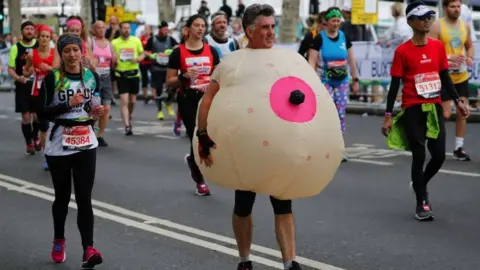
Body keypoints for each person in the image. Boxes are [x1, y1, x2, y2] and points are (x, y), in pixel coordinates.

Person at [196, 4, 303, 270]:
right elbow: (208, 100)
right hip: (246, 148)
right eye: (265, 27)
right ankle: (245, 259)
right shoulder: (233, 63)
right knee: (244, 205)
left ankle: (290, 262)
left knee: (283, 203)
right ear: (249, 31)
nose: (271, 32)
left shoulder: (285, 60)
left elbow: (301, 94)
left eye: (272, 26)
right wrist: (202, 135)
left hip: (279, 145)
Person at [382, 1, 469, 221]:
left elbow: (444, 77)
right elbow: (394, 85)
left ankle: (419, 184)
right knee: (419, 154)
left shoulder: (438, 47)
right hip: (412, 108)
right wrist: (388, 115)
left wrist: (458, 101)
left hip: (435, 107)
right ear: (410, 22)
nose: (426, 21)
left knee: (439, 155)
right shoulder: (402, 51)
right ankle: (422, 201)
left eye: (429, 17)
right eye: (421, 18)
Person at [37, 34, 104, 268]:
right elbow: (42, 111)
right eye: (67, 51)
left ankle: (89, 249)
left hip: (85, 140)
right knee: (62, 197)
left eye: (76, 50)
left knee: (84, 198)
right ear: (61, 54)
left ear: (81, 52)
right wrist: (68, 104)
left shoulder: (91, 76)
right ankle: (59, 239)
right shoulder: (52, 78)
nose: (72, 55)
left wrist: (97, 111)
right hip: (59, 142)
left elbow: (93, 105)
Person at [166, 14, 220, 196]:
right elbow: (169, 81)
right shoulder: (178, 52)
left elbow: (218, 76)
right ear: (188, 29)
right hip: (188, 99)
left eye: (203, 26)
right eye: (196, 25)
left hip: (207, 100)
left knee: (205, 135)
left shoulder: (211, 51)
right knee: (196, 136)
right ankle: (200, 181)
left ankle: (193, 159)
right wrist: (183, 77)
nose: (200, 29)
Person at [307, 7, 360, 162]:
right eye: (333, 21)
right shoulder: (319, 38)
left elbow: (351, 60)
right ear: (326, 22)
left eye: (338, 21)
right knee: (326, 114)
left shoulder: (344, 37)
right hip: (325, 81)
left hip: (342, 81)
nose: (336, 24)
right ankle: (322, 146)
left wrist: (355, 80)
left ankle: (339, 148)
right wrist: (311, 79)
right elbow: (312, 60)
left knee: (340, 114)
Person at [428, 0, 473, 161]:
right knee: (445, 114)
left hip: (461, 76)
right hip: (443, 76)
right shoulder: (437, 26)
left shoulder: (465, 26)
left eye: (458, 6)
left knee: (463, 111)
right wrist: (449, 58)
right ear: (446, 8)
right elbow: (430, 50)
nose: (456, 10)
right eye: (453, 6)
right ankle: (431, 137)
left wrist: (469, 58)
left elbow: (469, 46)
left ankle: (458, 147)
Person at [23, 25, 59, 170]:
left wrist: (49, 69)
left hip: (53, 91)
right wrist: (29, 71)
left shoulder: (54, 52)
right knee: (44, 125)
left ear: (50, 39)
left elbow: (58, 69)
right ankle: (47, 155)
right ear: (38, 38)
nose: (44, 39)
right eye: (42, 36)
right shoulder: (32, 54)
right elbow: (25, 72)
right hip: (38, 92)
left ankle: (58, 153)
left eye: (47, 37)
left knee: (56, 124)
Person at [7, 21, 39, 154]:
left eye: (32, 29)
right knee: (26, 117)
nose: (29, 31)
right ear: (22, 31)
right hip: (22, 85)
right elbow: (10, 68)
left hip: (37, 84)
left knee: (37, 116)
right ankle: (29, 143)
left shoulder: (39, 45)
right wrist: (18, 78)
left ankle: (36, 136)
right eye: (27, 29)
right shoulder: (15, 48)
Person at [111, 22, 145, 135]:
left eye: (128, 28)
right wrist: (114, 60)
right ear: (120, 30)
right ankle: (127, 125)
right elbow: (112, 58)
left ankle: (129, 116)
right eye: (124, 28)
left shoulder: (136, 40)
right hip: (121, 74)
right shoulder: (114, 43)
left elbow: (143, 53)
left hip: (134, 74)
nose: (126, 30)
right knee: (124, 101)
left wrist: (138, 59)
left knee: (133, 101)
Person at [145, 20, 178, 120]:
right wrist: (151, 55)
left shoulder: (170, 39)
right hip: (156, 68)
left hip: (168, 69)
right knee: (158, 90)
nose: (165, 31)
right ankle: (159, 111)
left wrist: (172, 51)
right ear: (159, 29)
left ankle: (168, 103)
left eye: (167, 29)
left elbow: (178, 47)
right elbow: (145, 51)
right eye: (164, 29)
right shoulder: (153, 39)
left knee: (172, 88)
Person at [91, 20, 117, 147]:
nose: (101, 30)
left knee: (106, 108)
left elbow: (113, 60)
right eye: (98, 28)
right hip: (93, 78)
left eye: (103, 28)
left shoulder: (109, 44)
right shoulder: (91, 42)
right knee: (94, 108)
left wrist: (115, 60)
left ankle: (100, 135)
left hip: (106, 77)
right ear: (94, 29)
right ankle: (90, 130)